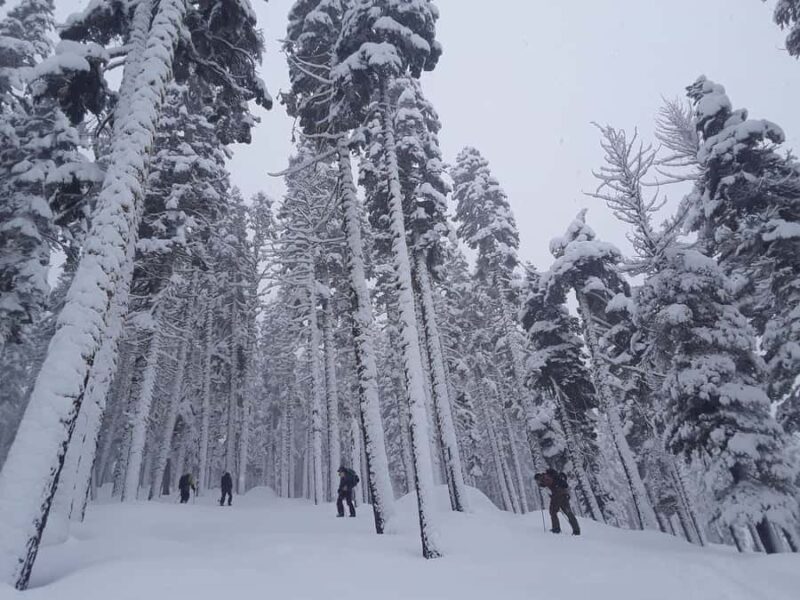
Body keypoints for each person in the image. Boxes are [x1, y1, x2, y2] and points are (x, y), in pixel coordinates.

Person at [534, 468, 581, 536]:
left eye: (537, 480)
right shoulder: (549, 476)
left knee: (553, 511)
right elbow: (548, 484)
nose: (537, 482)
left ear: (538, 477)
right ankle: (576, 530)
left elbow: (549, 482)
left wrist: (542, 484)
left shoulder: (545, 477)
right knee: (568, 512)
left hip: (557, 495)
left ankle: (556, 529)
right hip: (564, 495)